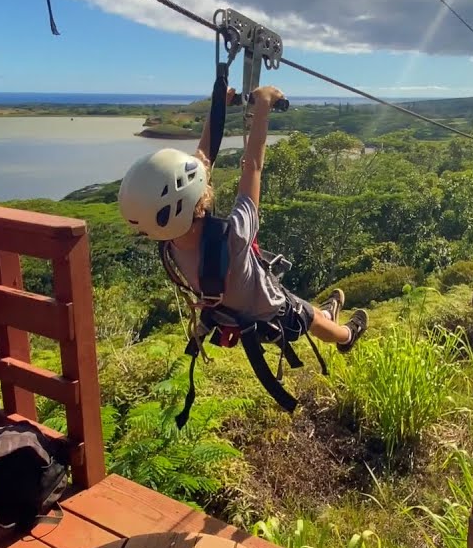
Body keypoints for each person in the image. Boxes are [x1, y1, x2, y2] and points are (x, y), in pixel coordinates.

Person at [118, 85, 368, 359]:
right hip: (272, 313)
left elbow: (204, 158)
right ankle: (346, 336)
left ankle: (329, 312)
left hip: (229, 314)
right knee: (310, 318)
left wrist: (219, 109)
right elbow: (254, 166)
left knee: (314, 312)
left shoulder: (168, 239)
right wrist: (263, 106)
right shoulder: (234, 236)